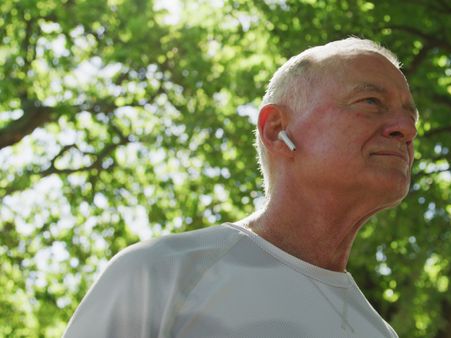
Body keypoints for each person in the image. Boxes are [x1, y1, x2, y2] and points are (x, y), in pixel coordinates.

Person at [64, 37, 418, 338]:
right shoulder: (160, 274)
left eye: (411, 117)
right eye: (371, 102)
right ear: (276, 129)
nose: (406, 128)